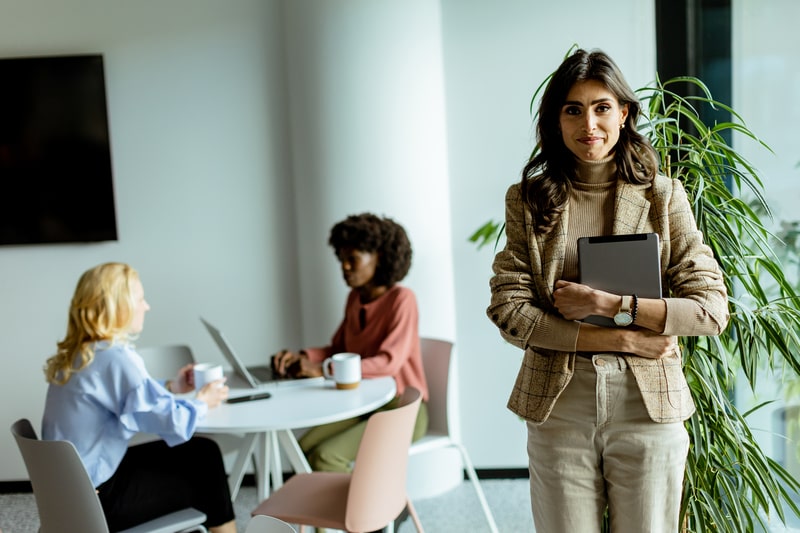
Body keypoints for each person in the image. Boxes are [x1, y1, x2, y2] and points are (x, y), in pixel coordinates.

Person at [486, 49, 729, 533]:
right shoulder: (529, 200)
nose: (588, 123)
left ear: (624, 113)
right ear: (556, 120)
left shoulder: (663, 196)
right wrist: (620, 337)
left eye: (601, 107)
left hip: (647, 405)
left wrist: (611, 306)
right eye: (572, 109)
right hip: (561, 402)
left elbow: (711, 310)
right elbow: (508, 310)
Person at [41, 262, 236, 533]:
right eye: (141, 299)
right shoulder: (115, 357)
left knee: (201, 453)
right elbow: (170, 421)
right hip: (98, 504)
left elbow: (131, 399)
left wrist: (172, 386)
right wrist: (203, 401)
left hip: (70, 495)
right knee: (206, 465)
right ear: (119, 305)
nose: (147, 306)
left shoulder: (81, 353)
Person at [272, 212, 429, 473]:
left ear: (379, 257)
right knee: (300, 449)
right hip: (364, 402)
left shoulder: (402, 299)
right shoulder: (355, 299)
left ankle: (366, 513)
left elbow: (388, 363)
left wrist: (323, 369)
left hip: (402, 409)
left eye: (352, 259)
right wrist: (301, 357)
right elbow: (338, 349)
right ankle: (325, 512)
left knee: (325, 457)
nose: (344, 267)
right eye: (342, 259)